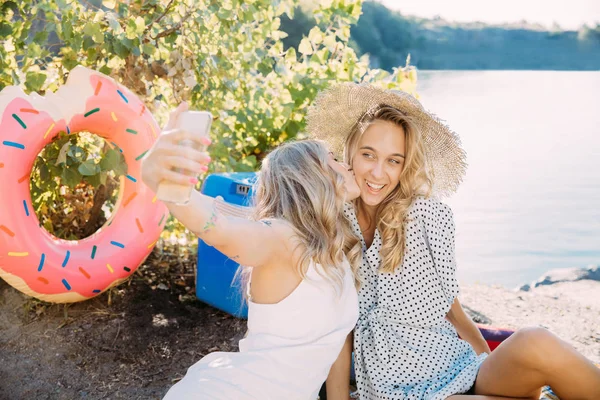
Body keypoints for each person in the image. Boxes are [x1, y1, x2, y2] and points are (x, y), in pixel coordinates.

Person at [307, 83, 600, 400]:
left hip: (461, 371)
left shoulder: (428, 217)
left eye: (394, 160)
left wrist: (491, 367)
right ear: (350, 152)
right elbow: (339, 328)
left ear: (406, 166)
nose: (378, 172)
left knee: (535, 340)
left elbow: (454, 313)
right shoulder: (332, 225)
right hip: (399, 391)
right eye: (368, 155)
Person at [141, 103, 363, 400]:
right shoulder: (284, 237)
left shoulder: (332, 243)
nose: (345, 164)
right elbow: (219, 228)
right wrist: (167, 184)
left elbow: (333, 341)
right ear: (311, 177)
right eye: (332, 159)